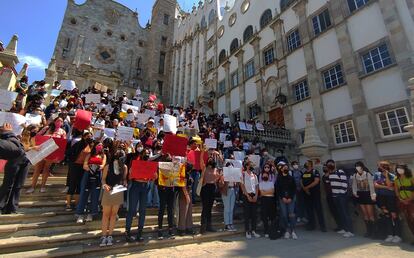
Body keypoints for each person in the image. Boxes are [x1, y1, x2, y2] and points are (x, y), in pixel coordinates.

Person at [27, 117, 67, 193]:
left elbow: (63, 144)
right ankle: (32, 186)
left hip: (52, 152)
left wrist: (59, 156)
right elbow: (38, 136)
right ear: (54, 121)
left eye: (61, 121)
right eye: (58, 120)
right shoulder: (47, 128)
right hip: (42, 150)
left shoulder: (63, 132)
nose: (60, 122)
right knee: (37, 169)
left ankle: (42, 187)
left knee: (46, 169)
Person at [0, 123, 31, 214]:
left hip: (25, 160)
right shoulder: (15, 136)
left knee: (18, 185)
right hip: (14, 160)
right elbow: (17, 148)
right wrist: (9, 133)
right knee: (8, 184)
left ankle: (12, 208)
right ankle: (1, 205)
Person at [100, 150, 127, 247]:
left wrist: (125, 183)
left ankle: (110, 235)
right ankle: (103, 236)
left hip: (118, 191)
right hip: (108, 191)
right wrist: (104, 185)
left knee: (114, 214)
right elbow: (103, 179)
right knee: (106, 214)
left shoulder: (124, 167)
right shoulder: (108, 166)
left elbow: (124, 179)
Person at [125, 148, 152, 242]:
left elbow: (154, 176)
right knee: (132, 210)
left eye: (148, 153)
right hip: (136, 186)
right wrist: (133, 173)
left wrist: (153, 174)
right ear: (141, 154)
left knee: (143, 210)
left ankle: (140, 232)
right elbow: (129, 176)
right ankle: (127, 232)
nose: (147, 155)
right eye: (146, 153)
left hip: (145, 186)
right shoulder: (135, 163)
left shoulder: (150, 164)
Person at [76, 141, 106, 223]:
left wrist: (97, 168)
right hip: (87, 175)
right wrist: (90, 168)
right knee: (84, 194)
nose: (100, 146)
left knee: (95, 195)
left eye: (101, 145)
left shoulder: (103, 156)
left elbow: (103, 165)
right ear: (95, 146)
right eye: (99, 145)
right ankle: (80, 214)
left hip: (97, 176)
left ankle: (91, 214)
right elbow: (84, 165)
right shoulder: (89, 155)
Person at [374, 161, 402, 243]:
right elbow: (375, 185)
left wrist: (386, 176)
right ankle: (390, 234)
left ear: (385, 167)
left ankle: (397, 235)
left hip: (390, 197)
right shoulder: (377, 174)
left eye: (380, 166)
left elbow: (391, 185)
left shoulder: (392, 176)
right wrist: (386, 187)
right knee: (386, 215)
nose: (379, 168)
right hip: (381, 197)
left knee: (394, 215)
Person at [65, 131, 94, 211]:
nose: (89, 138)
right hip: (75, 166)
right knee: (72, 184)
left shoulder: (91, 146)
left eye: (90, 136)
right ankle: (68, 204)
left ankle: (77, 204)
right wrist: (72, 160)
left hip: (84, 167)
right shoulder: (78, 144)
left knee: (79, 186)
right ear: (83, 137)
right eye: (87, 136)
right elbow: (69, 152)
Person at [326, 159, 354, 238]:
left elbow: (344, 183)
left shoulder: (340, 171)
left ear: (334, 164)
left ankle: (350, 230)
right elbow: (328, 182)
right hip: (334, 196)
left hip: (341, 196)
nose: (330, 165)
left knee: (345, 213)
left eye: (331, 164)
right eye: (328, 164)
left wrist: (341, 194)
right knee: (340, 213)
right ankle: (344, 228)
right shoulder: (330, 173)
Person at [351, 161, 376, 238]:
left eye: (359, 166)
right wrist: (354, 192)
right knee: (365, 214)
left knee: (370, 214)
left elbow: (371, 186)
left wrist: (373, 195)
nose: (358, 167)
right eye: (356, 166)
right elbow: (354, 185)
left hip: (368, 194)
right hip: (360, 195)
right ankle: (368, 231)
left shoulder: (367, 174)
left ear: (362, 166)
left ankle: (374, 232)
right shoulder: (355, 175)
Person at [199, 146, 220, 234]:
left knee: (210, 208)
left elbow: (218, 177)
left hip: (212, 188)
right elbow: (201, 160)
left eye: (211, 158)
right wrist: (203, 152)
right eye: (209, 158)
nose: (210, 159)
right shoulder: (204, 168)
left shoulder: (216, 169)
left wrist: (214, 180)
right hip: (205, 188)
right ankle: (203, 227)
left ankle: (209, 226)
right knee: (205, 207)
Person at [301, 160, 326, 232]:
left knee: (318, 210)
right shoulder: (304, 172)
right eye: (305, 163)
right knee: (309, 210)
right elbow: (301, 181)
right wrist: (305, 189)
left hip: (315, 193)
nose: (305, 164)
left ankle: (322, 226)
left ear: (310, 165)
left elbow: (316, 181)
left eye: (307, 163)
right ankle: (311, 225)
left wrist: (307, 187)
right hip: (307, 194)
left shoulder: (315, 172)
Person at [276, 162, 297, 239]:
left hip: (291, 198)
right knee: (284, 214)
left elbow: (294, 188)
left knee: (291, 214)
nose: (285, 169)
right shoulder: (279, 178)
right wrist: (283, 197)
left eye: (286, 167)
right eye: (284, 168)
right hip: (282, 198)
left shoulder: (291, 178)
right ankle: (287, 230)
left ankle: (293, 230)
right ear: (281, 169)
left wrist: (290, 197)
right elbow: (278, 189)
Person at [394, 164, 414, 242]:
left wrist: (409, 199)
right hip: (402, 202)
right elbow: (396, 191)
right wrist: (401, 199)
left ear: (405, 169)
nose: (399, 170)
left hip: (411, 201)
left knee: (413, 218)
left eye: (401, 168)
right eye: (398, 168)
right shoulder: (396, 179)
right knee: (408, 220)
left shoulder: (411, 178)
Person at [241, 160, 260, 239]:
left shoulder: (254, 175)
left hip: (254, 195)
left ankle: (254, 230)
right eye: (250, 164)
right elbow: (242, 186)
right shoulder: (243, 175)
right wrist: (247, 196)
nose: (251, 166)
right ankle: (247, 231)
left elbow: (256, 186)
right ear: (247, 166)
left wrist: (256, 195)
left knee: (254, 214)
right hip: (246, 195)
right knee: (247, 214)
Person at [321, 165, 342, 232]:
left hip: (335, 195)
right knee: (333, 211)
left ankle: (343, 226)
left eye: (325, 167)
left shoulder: (332, 175)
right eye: (323, 167)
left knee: (339, 211)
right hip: (328, 196)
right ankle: (339, 226)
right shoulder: (324, 177)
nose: (324, 168)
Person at [218, 161, 238, 232]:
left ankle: (230, 223)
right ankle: (227, 224)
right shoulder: (223, 175)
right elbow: (220, 184)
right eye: (229, 166)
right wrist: (223, 176)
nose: (231, 167)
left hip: (232, 190)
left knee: (231, 208)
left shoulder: (234, 175)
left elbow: (237, 184)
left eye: (232, 166)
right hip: (226, 191)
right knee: (227, 208)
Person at [258, 164, 276, 238]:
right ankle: (266, 230)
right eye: (264, 175)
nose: (265, 176)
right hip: (264, 200)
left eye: (266, 175)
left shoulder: (271, 183)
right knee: (264, 216)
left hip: (271, 200)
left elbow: (273, 192)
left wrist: (266, 192)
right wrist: (268, 192)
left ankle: (272, 229)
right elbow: (261, 193)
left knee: (271, 215)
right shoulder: (260, 183)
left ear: (268, 176)